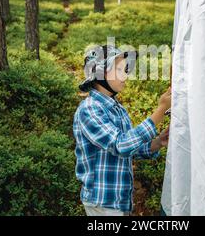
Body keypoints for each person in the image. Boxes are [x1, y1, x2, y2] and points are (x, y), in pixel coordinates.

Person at [73, 45, 171, 216]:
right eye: (119, 70)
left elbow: (129, 149)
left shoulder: (117, 108)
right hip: (102, 201)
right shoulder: (89, 109)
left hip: (120, 200)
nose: (125, 75)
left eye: (125, 69)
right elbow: (120, 145)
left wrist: (157, 142)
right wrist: (161, 110)